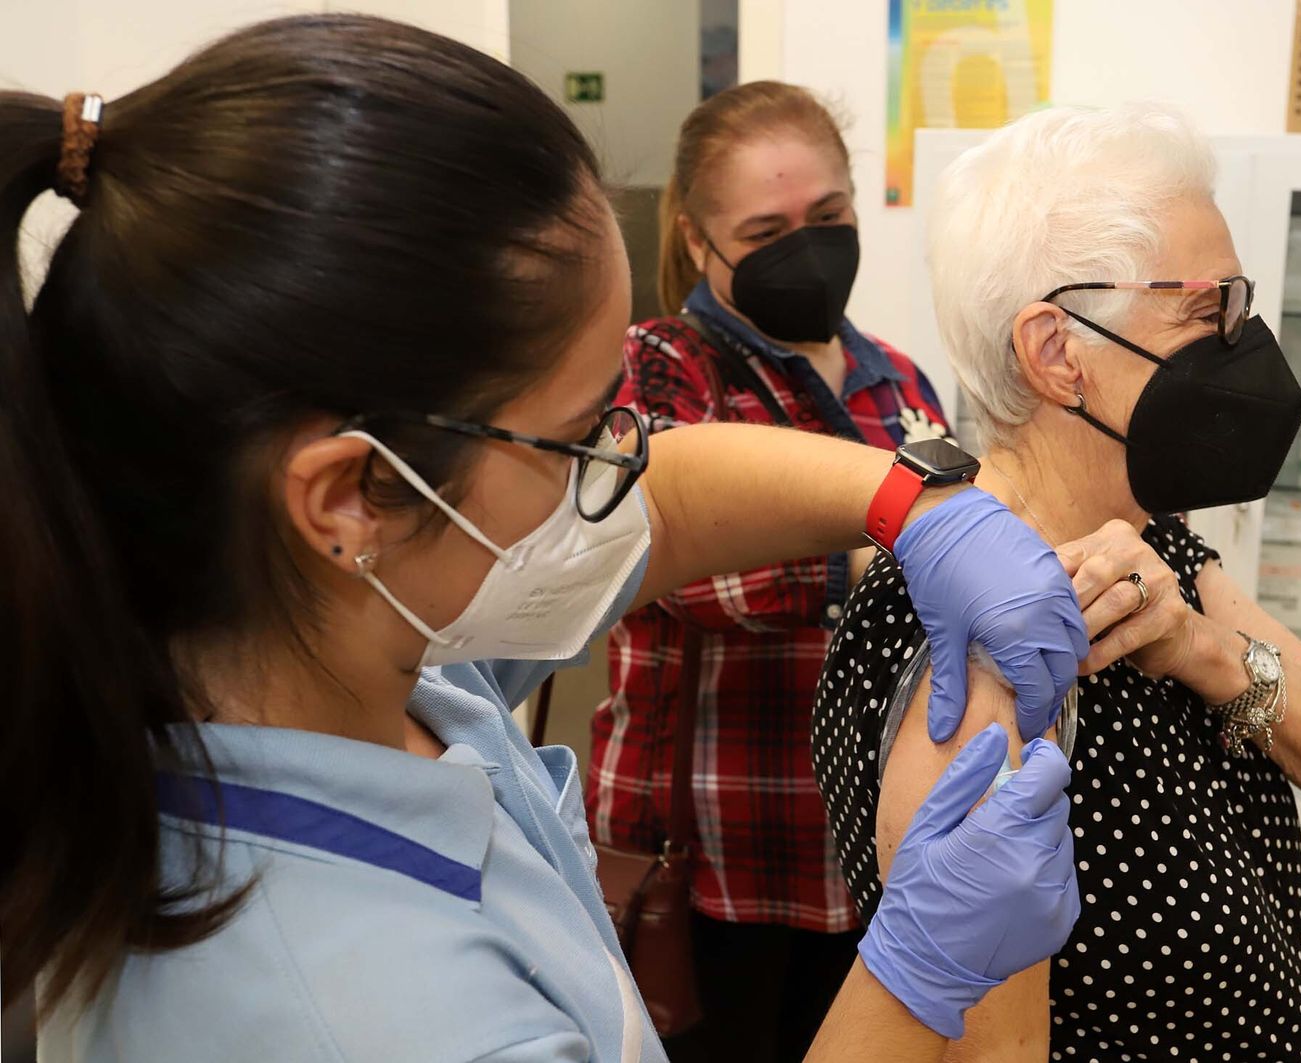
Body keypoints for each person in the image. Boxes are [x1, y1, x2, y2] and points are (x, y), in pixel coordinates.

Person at [0, 18, 1095, 1062]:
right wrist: (919, 974)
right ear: (349, 498)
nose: (622, 469)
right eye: (583, 434)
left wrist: (915, 502)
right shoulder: (374, 1017)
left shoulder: (354, 648)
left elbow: (673, 501)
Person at [810, 103, 1301, 1063]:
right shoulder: (965, 638)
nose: (1243, 342)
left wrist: (1205, 650)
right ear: (1057, 352)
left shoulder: (1160, 553)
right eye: (1209, 311)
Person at [587, 81, 949, 1062]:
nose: (807, 245)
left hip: (874, 848)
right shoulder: (661, 368)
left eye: (827, 217)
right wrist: (896, 549)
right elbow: (680, 565)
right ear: (698, 242)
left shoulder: (902, 384)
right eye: (765, 228)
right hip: (720, 848)